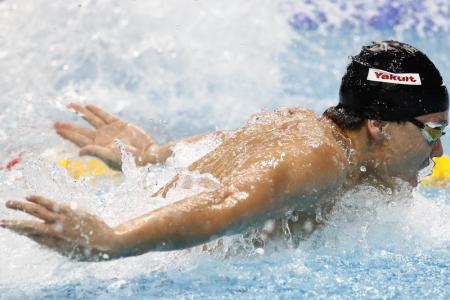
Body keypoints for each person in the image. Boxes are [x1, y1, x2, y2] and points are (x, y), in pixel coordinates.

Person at [1, 40, 448, 260]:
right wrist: (112, 241)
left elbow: (221, 144)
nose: (438, 149)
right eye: (431, 132)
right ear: (378, 125)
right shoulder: (321, 158)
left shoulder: (307, 126)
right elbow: (223, 202)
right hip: (155, 256)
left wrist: (156, 154)